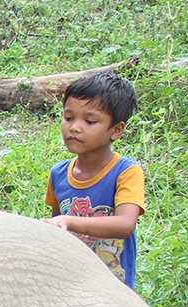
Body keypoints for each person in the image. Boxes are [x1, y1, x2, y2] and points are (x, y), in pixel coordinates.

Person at [43, 71, 144, 290]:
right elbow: (55, 227)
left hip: (113, 287)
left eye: (89, 121)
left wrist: (68, 220)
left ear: (116, 130)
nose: (75, 127)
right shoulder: (58, 174)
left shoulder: (126, 172)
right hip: (70, 283)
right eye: (68, 118)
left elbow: (125, 224)